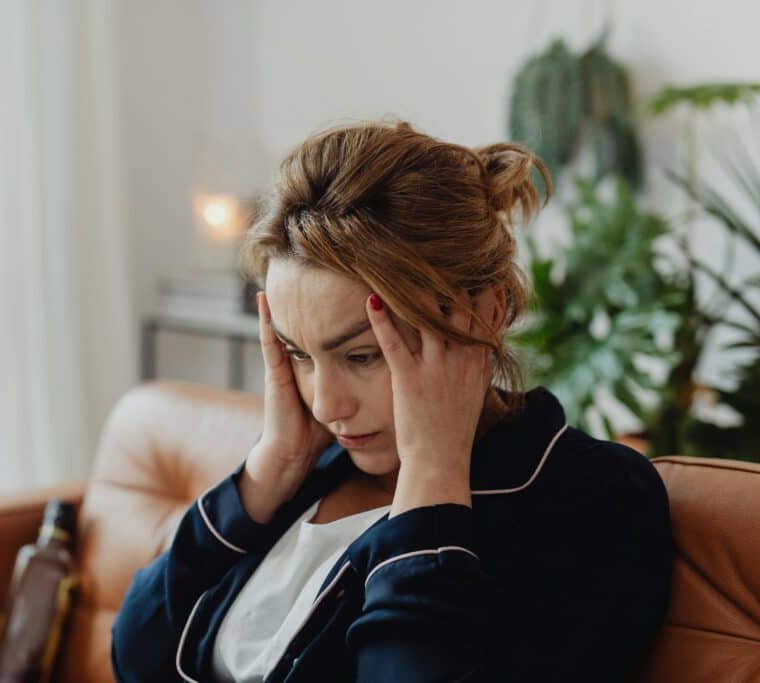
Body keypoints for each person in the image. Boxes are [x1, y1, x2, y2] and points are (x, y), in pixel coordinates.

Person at [110, 119, 674, 682]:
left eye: (361, 356)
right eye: (298, 354)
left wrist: (433, 477)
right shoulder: (312, 470)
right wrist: (268, 470)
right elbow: (135, 654)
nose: (327, 405)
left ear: (487, 313)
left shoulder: (591, 499)